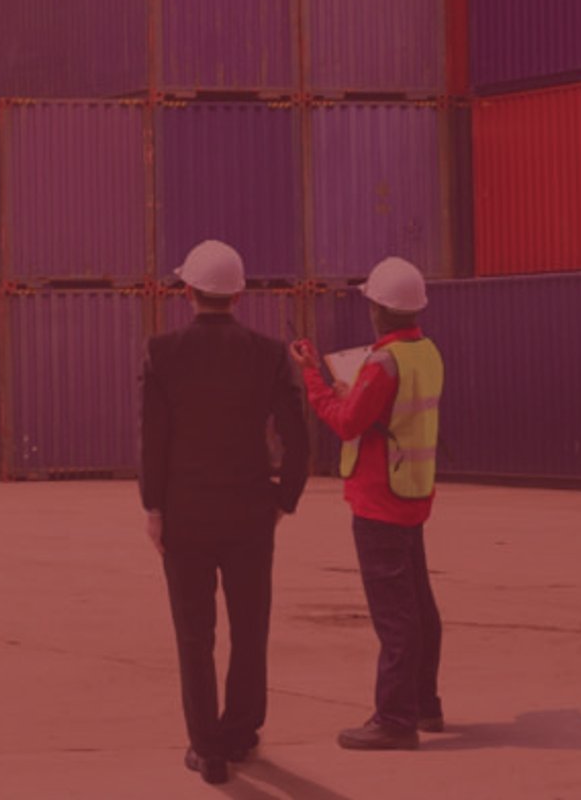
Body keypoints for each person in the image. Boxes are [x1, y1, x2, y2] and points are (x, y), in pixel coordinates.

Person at [140, 240, 313, 785]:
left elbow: (153, 441)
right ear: (239, 295)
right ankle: (240, 732)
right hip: (250, 513)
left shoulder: (163, 352)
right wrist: (283, 499)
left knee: (194, 634)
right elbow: (298, 438)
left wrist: (153, 508)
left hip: (186, 512)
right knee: (250, 627)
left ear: (187, 291)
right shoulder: (269, 354)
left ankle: (207, 749)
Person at [291, 256, 446, 751]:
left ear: (378, 309)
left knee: (395, 615)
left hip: (379, 499)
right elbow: (390, 413)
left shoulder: (382, 363)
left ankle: (395, 719)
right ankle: (425, 703)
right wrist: (350, 391)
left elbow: (346, 423)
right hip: (413, 492)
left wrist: (313, 379)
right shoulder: (426, 353)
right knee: (419, 605)